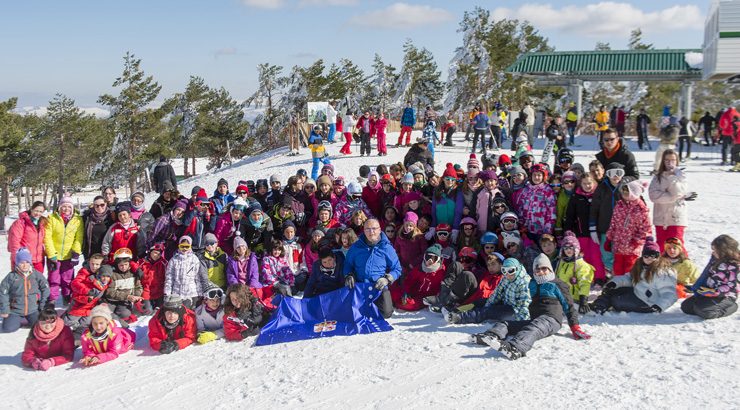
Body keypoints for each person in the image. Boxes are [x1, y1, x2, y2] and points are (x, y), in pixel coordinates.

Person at [472, 254, 589, 360]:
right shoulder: (531, 284)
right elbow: (524, 302)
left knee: (533, 328)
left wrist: (575, 327)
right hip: (534, 318)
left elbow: (569, 307)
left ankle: (516, 347)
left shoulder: (557, 284)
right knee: (506, 323)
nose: (541, 271)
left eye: (544, 268)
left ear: (550, 269)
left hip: (551, 319)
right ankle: (491, 335)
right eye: (538, 269)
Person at [591, 238, 677, 314]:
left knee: (615, 300)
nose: (649, 258)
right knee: (612, 290)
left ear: (658, 256)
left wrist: (659, 306)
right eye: (646, 255)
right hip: (638, 293)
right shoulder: (640, 266)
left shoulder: (662, 272)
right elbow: (629, 278)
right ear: (643, 256)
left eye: (653, 255)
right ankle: (598, 306)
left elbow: (669, 293)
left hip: (648, 303)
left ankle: (600, 307)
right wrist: (614, 283)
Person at [343, 218, 401, 319]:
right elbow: (348, 264)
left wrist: (387, 279)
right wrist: (348, 275)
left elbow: (397, 268)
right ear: (364, 230)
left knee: (386, 313)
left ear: (379, 230)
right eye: (368, 229)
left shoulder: (386, 248)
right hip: (359, 286)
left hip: (378, 287)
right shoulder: (356, 247)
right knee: (352, 314)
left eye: (374, 228)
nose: (371, 232)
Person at [444, 257, 531, 325]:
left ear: (517, 269)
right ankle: (456, 310)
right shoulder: (505, 278)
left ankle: (459, 318)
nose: (507, 274)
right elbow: (497, 294)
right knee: (479, 302)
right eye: (504, 271)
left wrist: (522, 322)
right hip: (505, 303)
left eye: (511, 270)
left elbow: (523, 305)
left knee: (486, 312)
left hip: (514, 312)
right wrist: (487, 304)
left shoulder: (523, 283)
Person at [648, 149, 696, 253]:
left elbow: (678, 192)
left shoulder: (681, 177)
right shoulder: (657, 177)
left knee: (676, 246)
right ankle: (662, 267)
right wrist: (673, 197)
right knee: (661, 246)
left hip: (676, 217)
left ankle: (683, 268)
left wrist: (672, 177)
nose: (670, 163)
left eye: (673, 160)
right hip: (661, 218)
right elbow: (653, 196)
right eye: (667, 160)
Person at [681, 234, 738, 319]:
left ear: (724, 251)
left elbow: (731, 286)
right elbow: (706, 274)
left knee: (705, 312)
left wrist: (716, 292)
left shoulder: (734, 266)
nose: (713, 252)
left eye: (715, 250)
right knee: (686, 307)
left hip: (725, 296)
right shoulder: (716, 259)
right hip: (710, 292)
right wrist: (696, 288)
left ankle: (731, 306)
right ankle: (706, 305)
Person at [564, 173, 606, 282]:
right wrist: (568, 229)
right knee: (584, 256)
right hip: (581, 232)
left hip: (596, 232)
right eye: (584, 183)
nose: (587, 186)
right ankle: (586, 278)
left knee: (596, 255)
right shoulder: (576, 197)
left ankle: (599, 277)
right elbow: (570, 215)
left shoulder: (598, 194)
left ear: (594, 183)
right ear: (580, 184)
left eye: (589, 183)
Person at [605, 180, 652, 276]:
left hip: (632, 248)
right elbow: (613, 223)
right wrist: (609, 238)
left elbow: (646, 229)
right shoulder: (619, 205)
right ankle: (618, 286)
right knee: (617, 268)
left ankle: (630, 287)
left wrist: (637, 240)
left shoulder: (641, 209)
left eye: (627, 193)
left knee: (630, 269)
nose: (624, 195)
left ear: (634, 193)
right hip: (618, 245)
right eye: (623, 193)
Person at [44, 195, 84, 305]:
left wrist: (75, 253)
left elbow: (78, 238)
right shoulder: (52, 218)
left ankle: (67, 297)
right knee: (53, 279)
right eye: (64, 206)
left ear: (72, 208)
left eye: (69, 206)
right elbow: (47, 237)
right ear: (59, 207)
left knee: (67, 279)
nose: (66, 209)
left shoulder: (77, 220)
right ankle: (52, 299)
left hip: (69, 256)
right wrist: (51, 254)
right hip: (54, 255)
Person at [0, 248, 50, 333]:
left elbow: (45, 288)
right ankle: (15, 320)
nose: (25, 265)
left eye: (27, 262)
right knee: (8, 329)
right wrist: (5, 310)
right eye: (22, 263)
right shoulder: (11, 277)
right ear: (17, 263)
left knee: (39, 326)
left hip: (33, 309)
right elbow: (3, 293)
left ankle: (30, 319)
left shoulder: (36, 275)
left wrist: (42, 304)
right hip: (15, 310)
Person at [589, 162, 626, 276]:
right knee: (606, 253)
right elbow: (594, 208)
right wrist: (593, 228)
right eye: (612, 173)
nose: (615, 176)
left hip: (622, 229)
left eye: (618, 173)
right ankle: (611, 274)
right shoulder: (602, 188)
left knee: (620, 253)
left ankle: (620, 275)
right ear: (607, 174)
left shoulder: (626, 188)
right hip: (605, 228)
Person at [63, 254, 110, 336]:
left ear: (101, 265)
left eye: (97, 264)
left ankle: (77, 334)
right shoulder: (84, 272)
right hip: (79, 301)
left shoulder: (103, 275)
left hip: (91, 305)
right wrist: (88, 291)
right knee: (68, 321)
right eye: (92, 264)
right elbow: (75, 283)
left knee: (86, 323)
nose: (94, 266)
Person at [391, 244, 446, 311]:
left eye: (434, 258)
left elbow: (439, 290)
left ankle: (395, 304)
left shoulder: (440, 272)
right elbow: (409, 281)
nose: (430, 261)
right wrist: (406, 292)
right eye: (428, 257)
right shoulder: (419, 268)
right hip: (413, 292)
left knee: (410, 304)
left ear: (438, 259)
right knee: (393, 292)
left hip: (425, 298)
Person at [164, 236, 209, 309]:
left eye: (187, 246)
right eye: (182, 246)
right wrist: (167, 291)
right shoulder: (174, 260)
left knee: (190, 314)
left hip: (191, 292)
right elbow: (169, 277)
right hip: (177, 293)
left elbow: (197, 277)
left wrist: (200, 292)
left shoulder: (194, 259)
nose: (184, 249)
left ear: (190, 246)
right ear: (179, 246)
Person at [555, 232, 594, 313]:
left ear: (576, 249)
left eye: (571, 248)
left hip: (574, 299)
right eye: (565, 248)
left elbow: (585, 283)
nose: (568, 250)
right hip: (561, 296)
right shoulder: (561, 262)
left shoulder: (581, 265)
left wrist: (583, 299)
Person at [103, 248, 143, 323]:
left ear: (129, 264)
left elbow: (138, 287)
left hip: (124, 301)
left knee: (125, 314)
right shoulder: (113, 274)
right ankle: (114, 320)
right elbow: (109, 291)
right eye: (121, 265)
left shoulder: (133, 274)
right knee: (105, 312)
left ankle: (118, 321)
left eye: (126, 265)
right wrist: (127, 296)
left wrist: (136, 296)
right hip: (111, 300)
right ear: (117, 264)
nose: (123, 267)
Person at [8, 201, 47, 272]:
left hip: (38, 260)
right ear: (31, 209)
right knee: (23, 282)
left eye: (41, 211)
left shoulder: (42, 223)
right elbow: (14, 242)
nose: (38, 213)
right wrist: (18, 259)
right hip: (24, 261)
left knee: (37, 282)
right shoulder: (21, 223)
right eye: (36, 210)